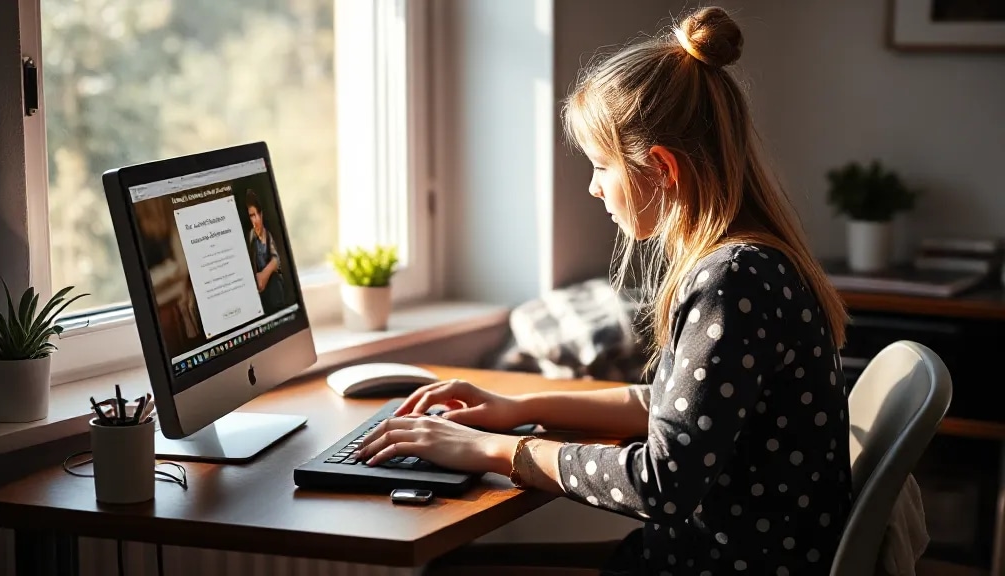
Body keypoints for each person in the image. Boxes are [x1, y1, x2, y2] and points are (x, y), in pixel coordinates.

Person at [353, 6, 852, 575]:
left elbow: (662, 483)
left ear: (661, 167)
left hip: (721, 565)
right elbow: (669, 409)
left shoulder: (731, 280)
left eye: (600, 166)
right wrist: (514, 408)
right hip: (727, 556)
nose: (593, 188)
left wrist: (496, 451)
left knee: (451, 568)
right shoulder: (747, 263)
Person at [245, 189, 285, 314]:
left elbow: (276, 259)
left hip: (273, 294)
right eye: (252, 215)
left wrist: (264, 274)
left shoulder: (268, 234)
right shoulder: (250, 238)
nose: (256, 219)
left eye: (258, 214)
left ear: (261, 214)